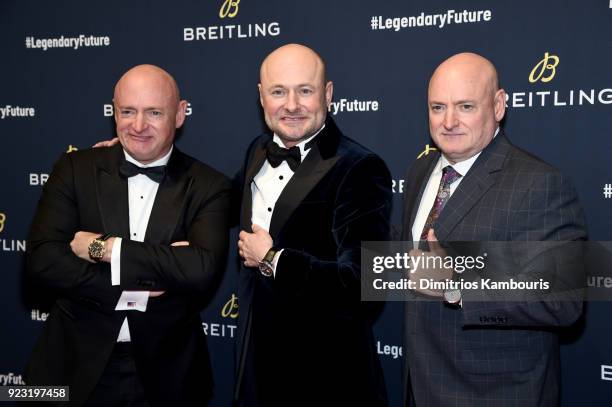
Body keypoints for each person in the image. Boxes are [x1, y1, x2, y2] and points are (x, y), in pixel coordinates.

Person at [24, 64, 230, 407]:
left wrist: (104, 248)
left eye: (154, 112)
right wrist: (148, 278)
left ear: (179, 114)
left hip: (169, 374)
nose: (138, 126)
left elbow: (200, 269)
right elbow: (42, 259)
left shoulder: (210, 186)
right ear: (113, 112)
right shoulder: (75, 168)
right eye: (127, 112)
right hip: (69, 367)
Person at [402, 53, 587, 406]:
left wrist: (455, 286)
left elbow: (564, 299)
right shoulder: (420, 171)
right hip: (419, 386)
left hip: (494, 395)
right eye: (437, 107)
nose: (449, 121)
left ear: (498, 105)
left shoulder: (540, 183)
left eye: (466, 106)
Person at [234, 43, 392, 406]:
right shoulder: (257, 151)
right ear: (261, 97)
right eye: (278, 92)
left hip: (328, 380)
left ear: (328, 94)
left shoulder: (360, 168)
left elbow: (364, 283)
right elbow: (216, 199)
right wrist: (136, 155)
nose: (291, 105)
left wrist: (274, 259)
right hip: (257, 374)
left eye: (305, 90)